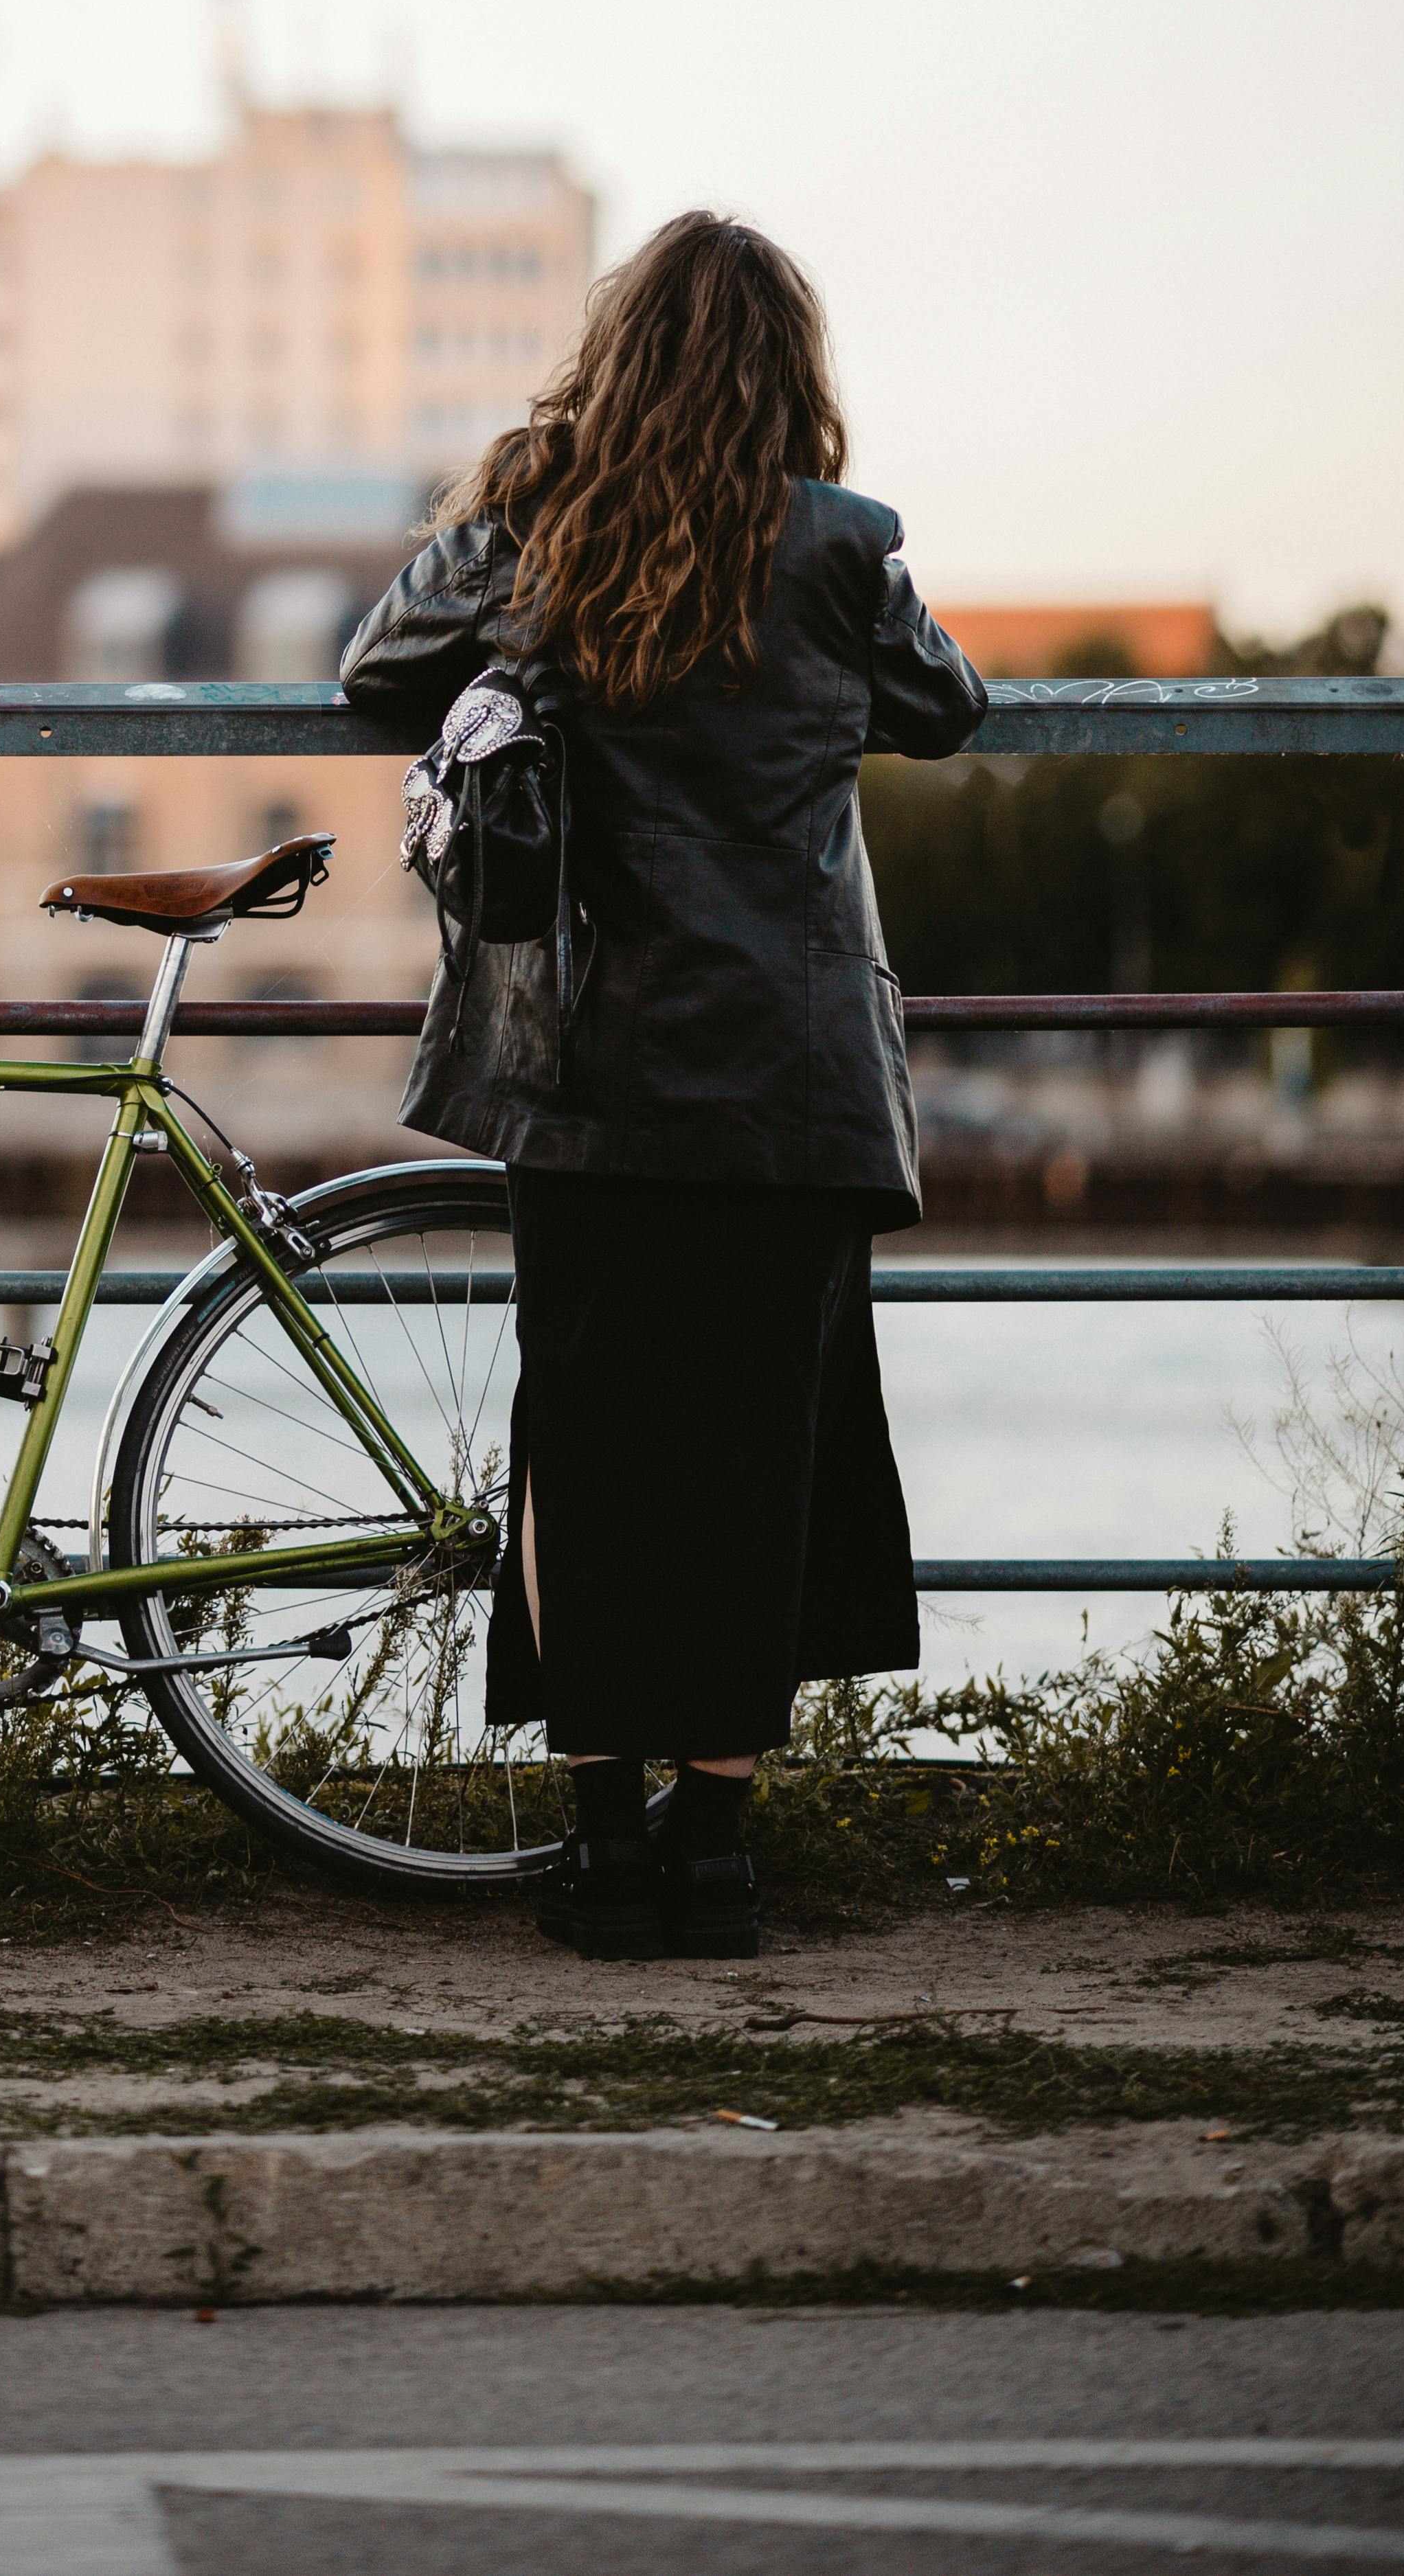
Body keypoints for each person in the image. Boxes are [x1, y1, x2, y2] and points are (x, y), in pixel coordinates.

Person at [337, 209, 986, 1959]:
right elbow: (948, 708)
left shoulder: (546, 533)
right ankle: (716, 1854)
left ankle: (605, 1849)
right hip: (790, 1085)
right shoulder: (846, 550)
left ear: (613, 361)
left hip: (590, 1070)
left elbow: (375, 670)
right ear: (792, 373)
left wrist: (515, 490)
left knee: (591, 1455)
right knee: (759, 1464)